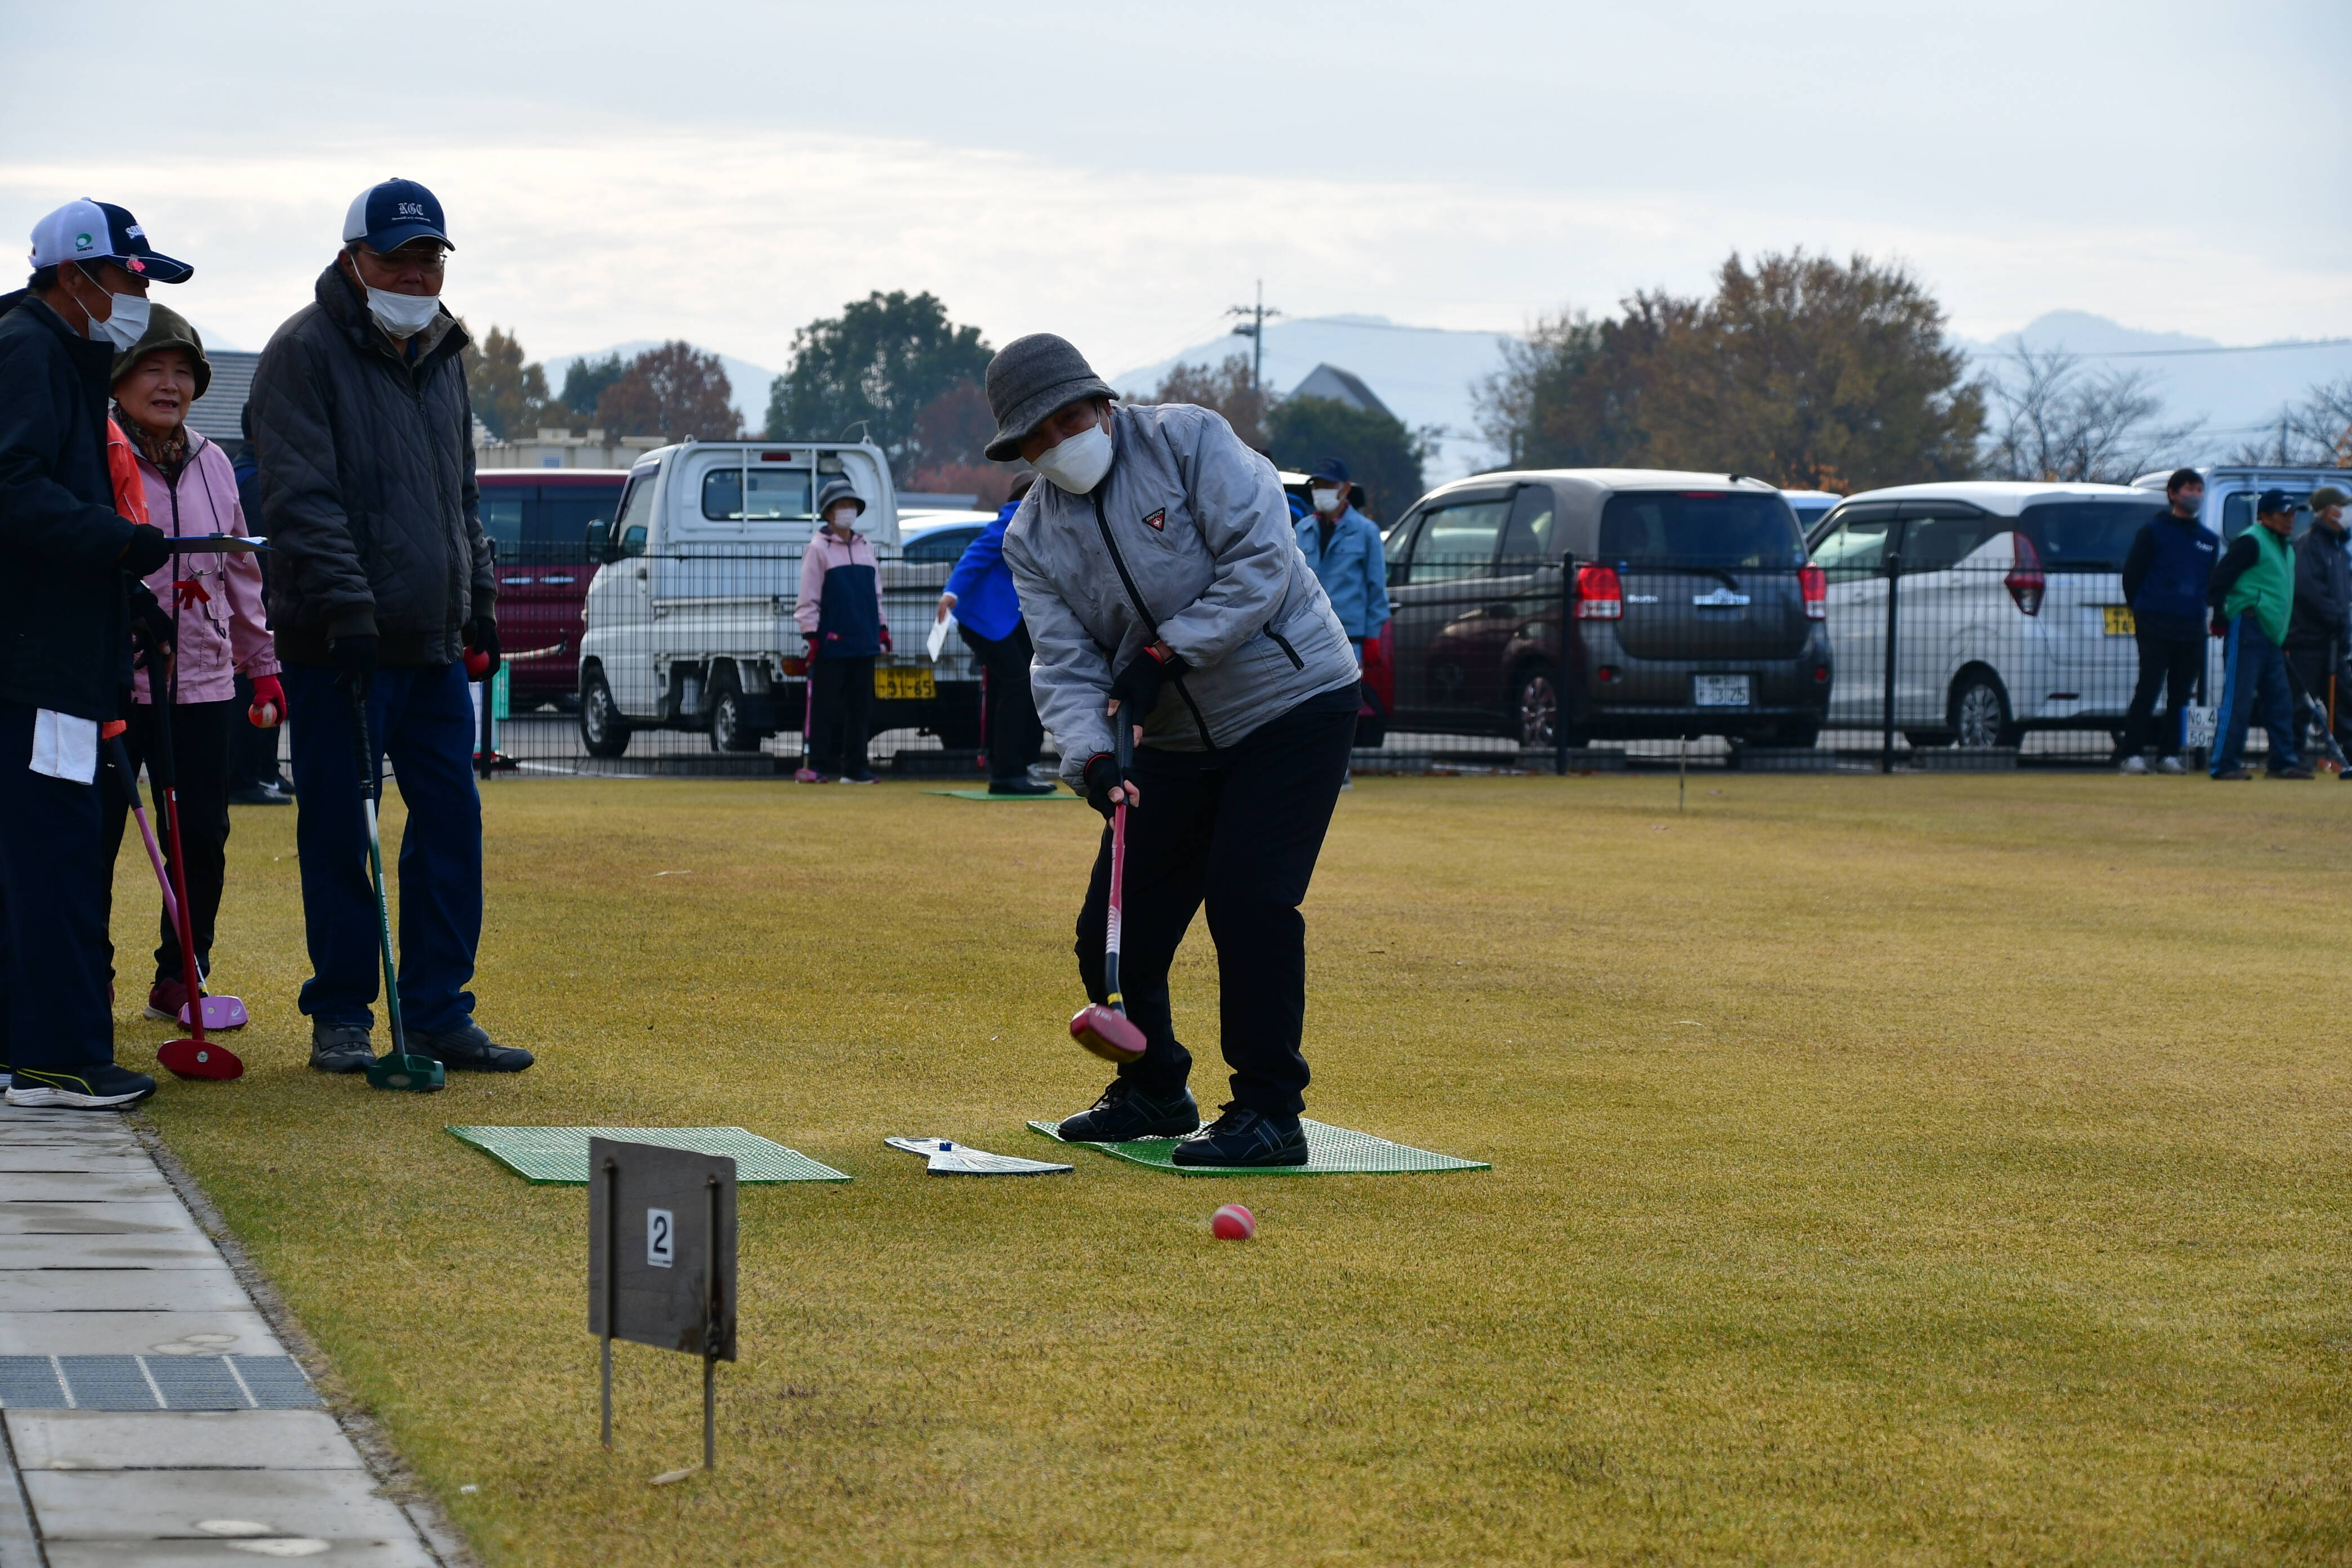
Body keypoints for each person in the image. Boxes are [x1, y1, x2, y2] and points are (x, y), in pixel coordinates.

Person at [987, 334, 1361, 1168]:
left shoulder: (1189, 440)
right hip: (1172, 737)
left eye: (1068, 420)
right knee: (1110, 929)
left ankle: (1270, 1112)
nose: (1058, 442)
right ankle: (1155, 1086)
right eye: (1036, 437)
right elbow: (1065, 662)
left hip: (1293, 701)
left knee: (1250, 899)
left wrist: (1165, 654)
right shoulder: (1031, 537)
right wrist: (1092, 759)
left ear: (1102, 405)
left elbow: (1262, 562)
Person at [251, 177, 531, 1076]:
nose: (415, 276)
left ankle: (440, 1009)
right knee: (342, 828)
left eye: (428, 259)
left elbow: (462, 497)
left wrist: (479, 599)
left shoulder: (445, 353)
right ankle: (341, 1012)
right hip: (340, 644)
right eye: (397, 259)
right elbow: (302, 498)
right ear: (353, 260)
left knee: (451, 823)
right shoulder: (302, 352)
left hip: (434, 642)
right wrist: (348, 609)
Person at [0, 199, 192, 1110]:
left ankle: (26, 1048)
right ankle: (58, 1055)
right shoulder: (30, 351)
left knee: (44, 853)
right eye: (129, 274)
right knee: (56, 855)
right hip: (40, 667)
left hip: (58, 649)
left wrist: (129, 599)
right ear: (74, 274)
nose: (139, 292)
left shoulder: (58, 353)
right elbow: (13, 490)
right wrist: (120, 543)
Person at [99, 304, 283, 1021]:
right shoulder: (94, 451)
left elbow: (241, 572)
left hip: (204, 681)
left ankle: (182, 975)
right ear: (119, 379)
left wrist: (261, 664)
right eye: (153, 369)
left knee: (201, 835)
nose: (170, 385)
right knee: (94, 838)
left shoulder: (214, 463)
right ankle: (87, 977)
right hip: (113, 682)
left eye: (183, 372)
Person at [938, 471, 1053, 794]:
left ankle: (1022, 763)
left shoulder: (1046, 523)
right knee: (1018, 684)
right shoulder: (1014, 518)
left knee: (1027, 684)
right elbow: (975, 554)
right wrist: (951, 592)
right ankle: (1007, 773)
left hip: (1013, 621)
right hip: (985, 620)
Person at [2116, 469, 2219, 773]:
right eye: (2189, 489)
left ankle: (2169, 755)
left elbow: (2209, 583)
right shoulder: (2152, 532)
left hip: (2191, 625)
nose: (2195, 495)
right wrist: (2143, 611)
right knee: (2148, 688)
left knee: (2181, 694)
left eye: (2199, 489)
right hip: (2155, 623)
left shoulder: (2208, 540)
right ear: (2173, 494)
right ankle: (2132, 754)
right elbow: (2132, 576)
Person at [2207, 489, 2310, 781]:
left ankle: (2282, 762)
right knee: (2239, 699)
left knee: (2280, 700)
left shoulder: (2286, 548)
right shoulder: (2251, 541)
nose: (2290, 519)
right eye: (2283, 514)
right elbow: (2219, 579)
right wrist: (2220, 615)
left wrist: (2283, 634)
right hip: (2248, 625)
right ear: (2264, 516)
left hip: (2271, 634)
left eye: (2293, 514)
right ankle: (2224, 764)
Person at [796, 478, 890, 784]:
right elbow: (808, 597)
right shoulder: (817, 548)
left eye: (851, 505)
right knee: (825, 707)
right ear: (828, 512)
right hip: (832, 640)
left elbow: (876, 594)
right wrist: (811, 635)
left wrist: (882, 628)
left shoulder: (866, 547)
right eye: (841, 506)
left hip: (864, 639)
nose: (847, 511)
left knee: (861, 709)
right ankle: (817, 766)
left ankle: (856, 769)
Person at [228, 402, 292, 807]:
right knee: (250, 688)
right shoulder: (252, 481)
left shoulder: (249, 474)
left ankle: (265, 771)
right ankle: (245, 777)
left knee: (266, 686)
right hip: (257, 605)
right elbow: (259, 554)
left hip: (259, 603)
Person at [2286, 483, 2351, 749]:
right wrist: (2337, 617)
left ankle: (2345, 755)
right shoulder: (2309, 544)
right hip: (2307, 641)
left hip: (2333, 642)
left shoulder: (2339, 549)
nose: (2347, 512)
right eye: (2343, 507)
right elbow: (2308, 589)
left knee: (2344, 700)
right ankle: (2291, 757)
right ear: (2329, 511)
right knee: (2301, 703)